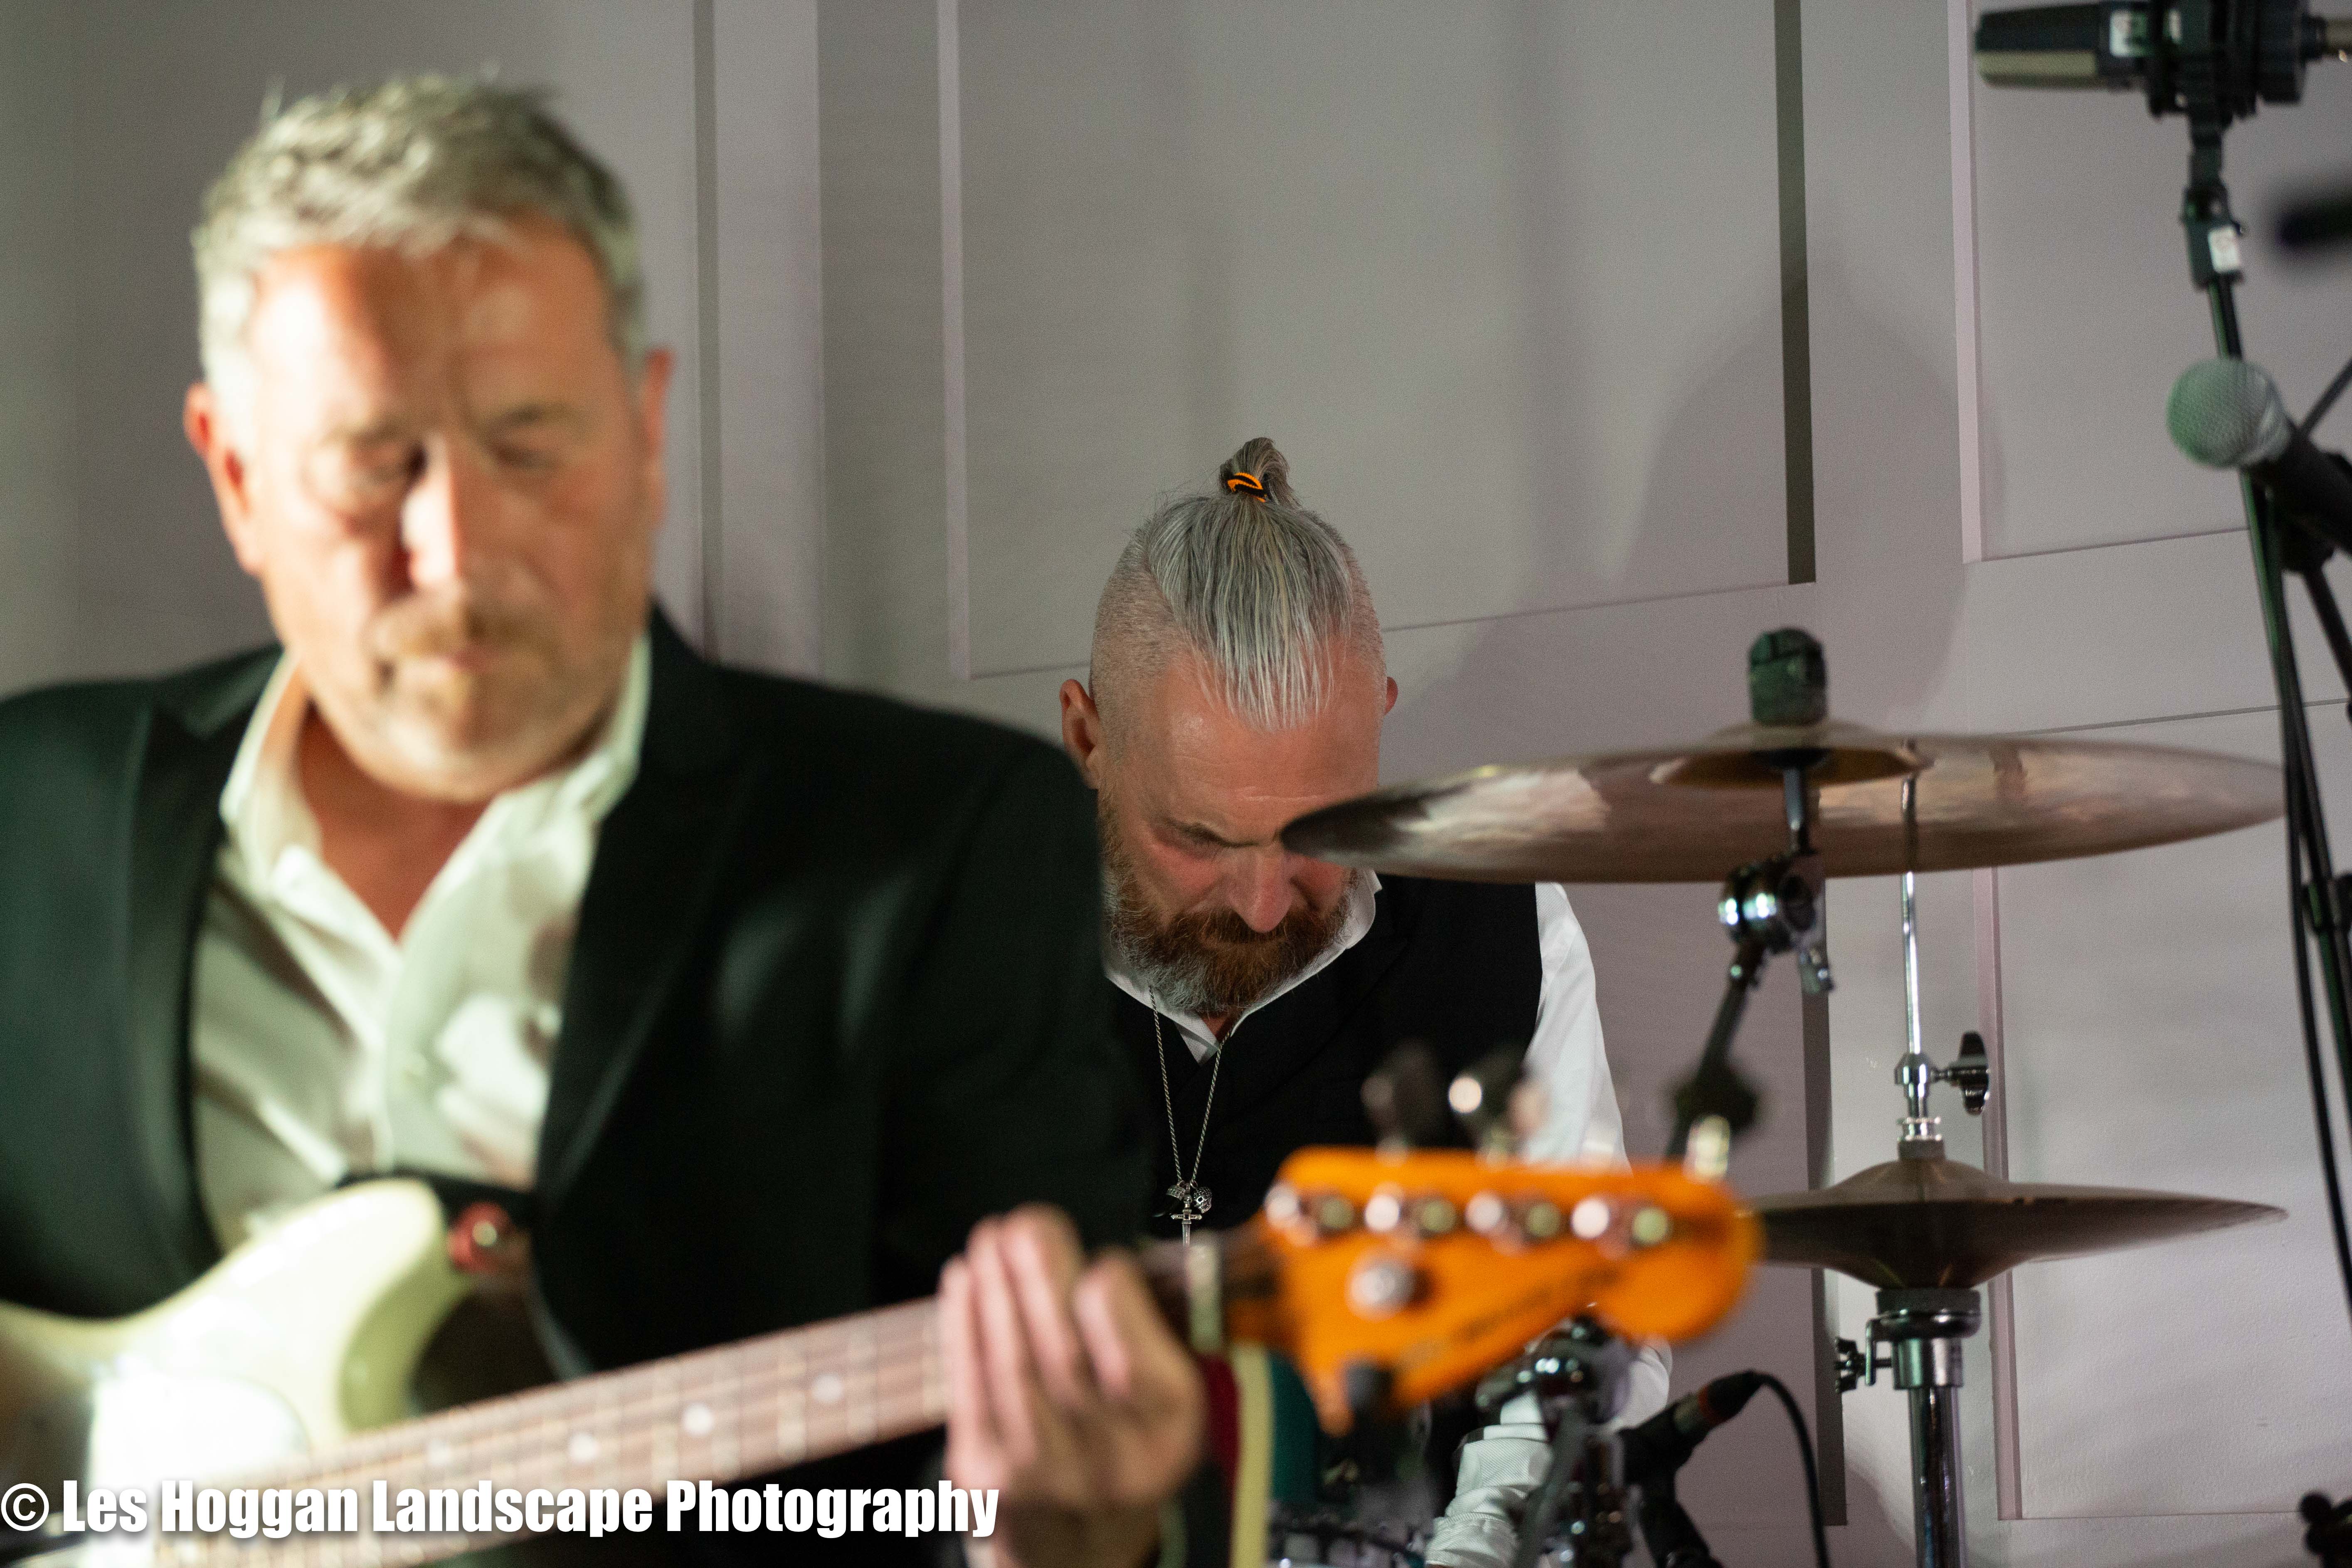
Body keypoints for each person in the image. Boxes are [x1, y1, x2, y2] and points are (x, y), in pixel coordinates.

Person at [0, 78, 1198, 1568]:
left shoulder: (943, 849)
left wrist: (1069, 1540)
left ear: (644, 432)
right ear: (236, 474)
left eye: (529, 444)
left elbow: (997, 1500)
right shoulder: (25, 815)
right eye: (373, 461)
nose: (457, 549)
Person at [1057, 438, 1668, 1568]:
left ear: (1380, 716)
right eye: (1197, 839)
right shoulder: (961, 958)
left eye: (1315, 833)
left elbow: (1573, 1329)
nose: (1260, 905)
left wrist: (1473, 1550)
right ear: (1088, 735)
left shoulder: (1504, 932)